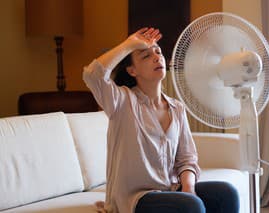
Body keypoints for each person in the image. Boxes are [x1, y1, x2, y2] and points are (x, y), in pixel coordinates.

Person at [83, 27, 240, 213]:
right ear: (132, 70)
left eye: (158, 52)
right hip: (134, 200)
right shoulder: (122, 102)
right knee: (192, 206)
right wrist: (129, 45)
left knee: (226, 193)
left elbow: (186, 159)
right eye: (145, 56)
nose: (157, 57)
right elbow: (93, 75)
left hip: (169, 190)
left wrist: (188, 189)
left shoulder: (177, 108)